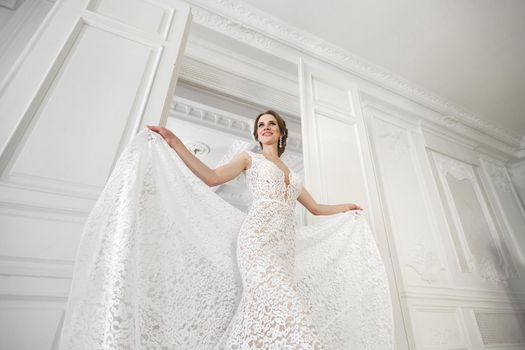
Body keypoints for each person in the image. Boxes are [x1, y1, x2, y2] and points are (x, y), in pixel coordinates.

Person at [59, 110, 393, 350]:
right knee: (289, 309)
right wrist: (174, 142)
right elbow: (212, 177)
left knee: (264, 311)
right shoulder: (251, 160)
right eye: (260, 125)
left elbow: (317, 209)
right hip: (257, 243)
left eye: (271, 124)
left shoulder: (295, 174)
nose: (265, 128)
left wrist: (347, 207)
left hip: (284, 249)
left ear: (281, 133)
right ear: (256, 133)